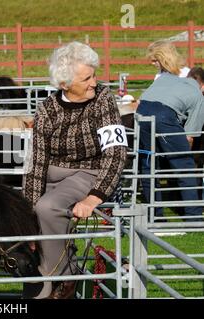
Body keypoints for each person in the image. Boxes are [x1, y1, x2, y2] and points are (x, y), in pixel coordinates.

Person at [22, 42, 128, 299]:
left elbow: (116, 154)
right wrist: (25, 216)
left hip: (87, 173)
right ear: (64, 85)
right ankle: (49, 280)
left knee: (48, 208)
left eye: (94, 75)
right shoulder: (47, 108)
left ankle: (55, 283)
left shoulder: (104, 100)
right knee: (27, 218)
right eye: (86, 78)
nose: (94, 82)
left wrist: (93, 198)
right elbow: (36, 163)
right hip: (50, 174)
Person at [137, 46, 204, 222]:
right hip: (164, 115)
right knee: (185, 166)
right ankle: (194, 218)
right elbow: (191, 136)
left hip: (141, 111)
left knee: (148, 164)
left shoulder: (165, 78)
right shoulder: (198, 95)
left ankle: (155, 217)